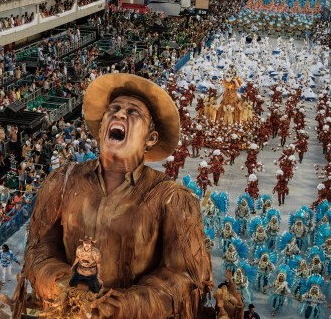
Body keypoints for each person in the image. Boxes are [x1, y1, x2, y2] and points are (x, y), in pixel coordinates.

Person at [16, 73, 213, 318]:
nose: (120, 114)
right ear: (101, 128)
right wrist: (61, 284)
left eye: (133, 113)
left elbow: (185, 277)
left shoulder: (173, 199)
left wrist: (124, 305)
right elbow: (38, 247)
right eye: (114, 109)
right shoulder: (62, 181)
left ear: (150, 139)